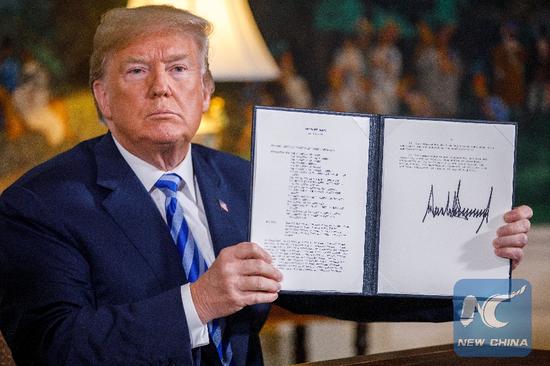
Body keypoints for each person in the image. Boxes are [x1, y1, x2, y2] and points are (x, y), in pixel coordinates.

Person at [0, 6, 533, 366]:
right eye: (137, 71)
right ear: (103, 98)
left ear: (205, 90)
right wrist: (199, 302)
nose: (162, 86)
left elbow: (347, 282)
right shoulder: (37, 206)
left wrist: (477, 267)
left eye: (180, 69)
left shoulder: (243, 178)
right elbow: (53, 347)